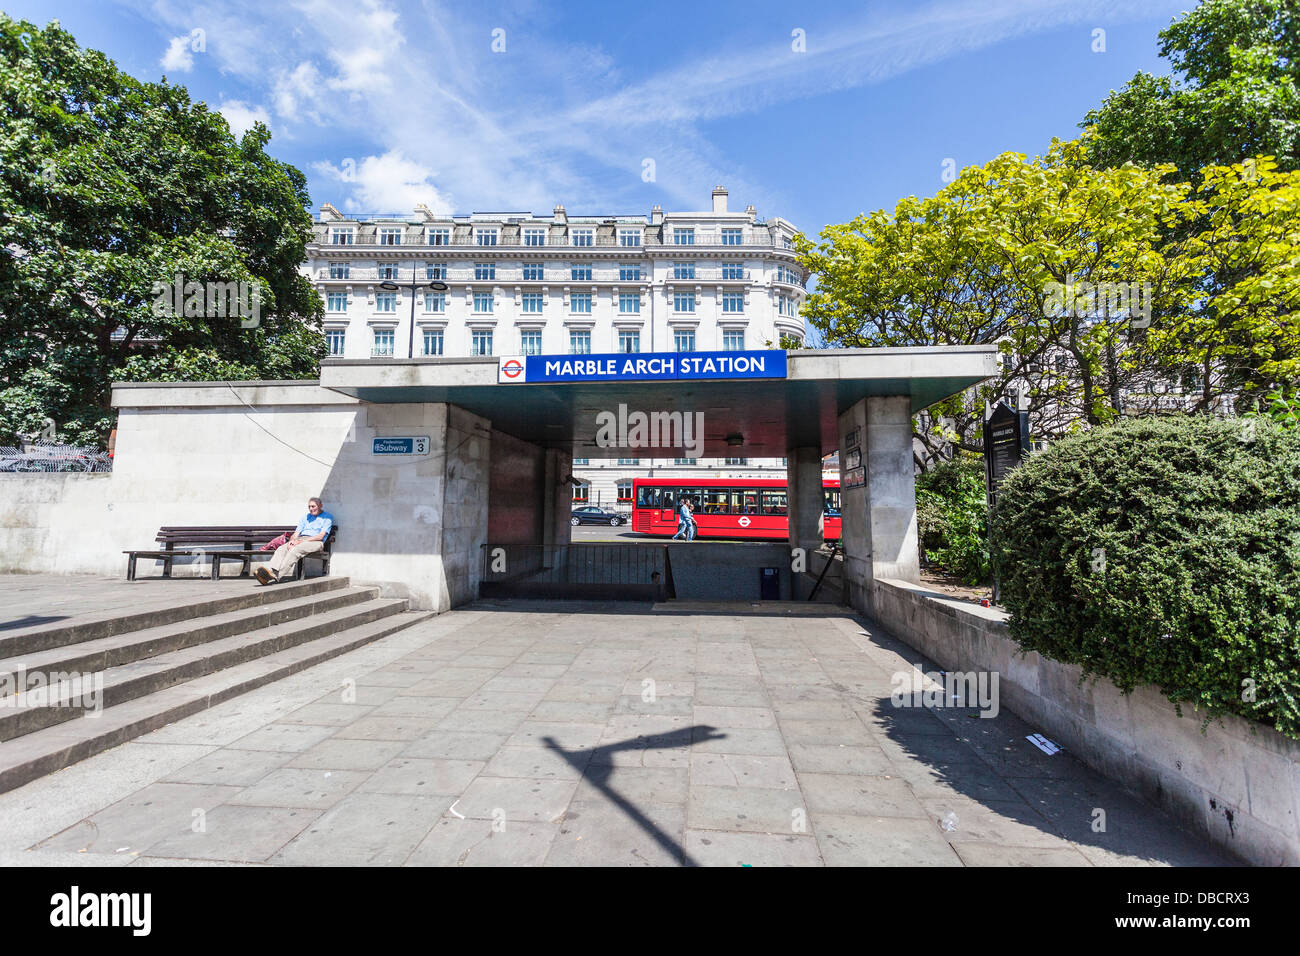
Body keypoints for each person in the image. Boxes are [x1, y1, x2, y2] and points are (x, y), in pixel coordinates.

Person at [255, 498, 334, 584]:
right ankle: (269, 572)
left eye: (313, 506)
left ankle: (276, 575)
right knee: (281, 549)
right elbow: (296, 533)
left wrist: (301, 542)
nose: (311, 509)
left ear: (320, 506)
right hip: (300, 539)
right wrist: (291, 541)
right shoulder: (306, 517)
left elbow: (320, 536)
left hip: (316, 542)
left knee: (295, 550)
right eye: (309, 507)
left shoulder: (327, 517)